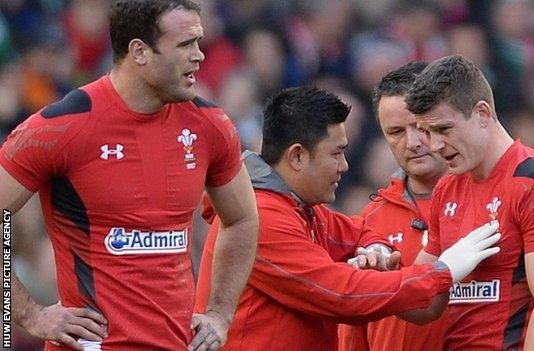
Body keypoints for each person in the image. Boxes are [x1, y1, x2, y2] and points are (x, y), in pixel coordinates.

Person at [0, 1, 259, 350]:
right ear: (139, 51)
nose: (200, 56)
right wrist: (30, 315)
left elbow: (243, 218)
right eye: (185, 44)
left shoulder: (209, 125)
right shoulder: (63, 127)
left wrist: (220, 313)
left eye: (199, 42)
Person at [194, 86, 501, 350]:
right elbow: (341, 294)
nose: (344, 166)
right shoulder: (263, 218)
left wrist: (377, 249)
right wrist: (442, 272)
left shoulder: (302, 209)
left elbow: (359, 231)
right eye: (336, 153)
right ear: (297, 156)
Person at [406, 55, 534, 350]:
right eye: (428, 133)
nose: (434, 146)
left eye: (444, 129)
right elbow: (425, 303)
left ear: (482, 113)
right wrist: (375, 276)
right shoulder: (447, 190)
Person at [338, 61, 449, 351]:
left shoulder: (492, 203)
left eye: (420, 126)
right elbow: (352, 333)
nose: (412, 142)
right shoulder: (367, 225)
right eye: (396, 132)